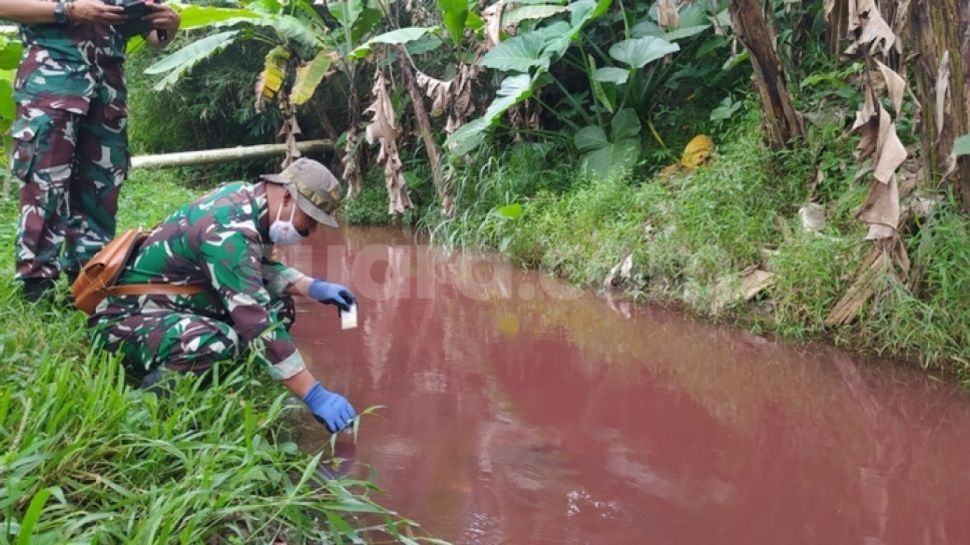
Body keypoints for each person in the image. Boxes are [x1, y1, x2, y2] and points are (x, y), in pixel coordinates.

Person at [90, 158, 359, 434]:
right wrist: (313, 394)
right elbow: (258, 322)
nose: (311, 231)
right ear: (288, 197)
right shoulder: (230, 230)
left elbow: (257, 269)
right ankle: (156, 400)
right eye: (310, 219)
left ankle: (218, 368)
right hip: (124, 321)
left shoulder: (247, 199)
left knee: (282, 307)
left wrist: (313, 287)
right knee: (218, 340)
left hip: (172, 304)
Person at [0, 0, 181, 301]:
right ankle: (36, 285)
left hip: (107, 86)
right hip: (52, 79)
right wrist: (69, 10)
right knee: (45, 183)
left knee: (101, 182)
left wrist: (168, 26)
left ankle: (89, 277)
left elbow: (151, 33)